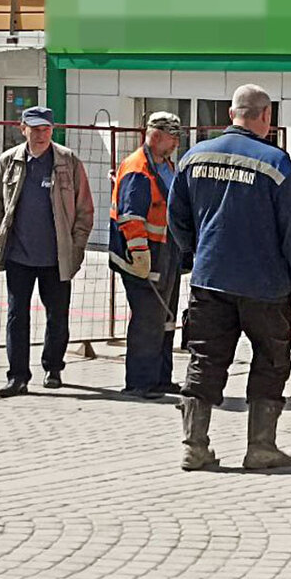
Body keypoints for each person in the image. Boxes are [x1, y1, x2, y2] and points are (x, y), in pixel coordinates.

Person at [168, 84, 291, 471]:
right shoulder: (276, 163)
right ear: (265, 116)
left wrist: (193, 255)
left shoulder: (193, 157)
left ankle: (194, 446)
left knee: (204, 359)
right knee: (270, 362)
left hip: (210, 280)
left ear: (232, 113)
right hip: (265, 286)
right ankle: (260, 448)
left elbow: (177, 218)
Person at [0, 106, 94, 398]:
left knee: (57, 316)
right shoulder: (8, 161)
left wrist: (76, 247)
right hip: (18, 257)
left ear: (52, 129)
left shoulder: (67, 161)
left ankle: (53, 368)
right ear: (22, 128)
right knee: (16, 316)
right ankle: (17, 377)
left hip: (57, 257)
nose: (40, 135)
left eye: (45, 129)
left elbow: (85, 210)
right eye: (34, 129)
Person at [110, 111, 184, 399]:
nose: (176, 143)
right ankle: (140, 381)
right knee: (147, 319)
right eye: (172, 137)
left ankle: (161, 378)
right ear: (155, 135)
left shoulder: (165, 165)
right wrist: (139, 254)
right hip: (145, 253)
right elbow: (131, 217)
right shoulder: (138, 169)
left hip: (166, 250)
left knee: (165, 319)